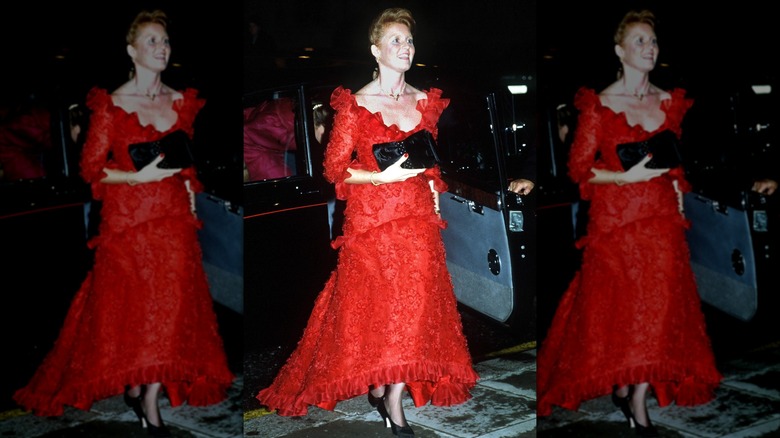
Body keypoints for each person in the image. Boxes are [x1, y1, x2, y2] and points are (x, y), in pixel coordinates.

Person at [255, 7, 479, 437]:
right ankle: (383, 391)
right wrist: (381, 176)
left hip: (417, 223)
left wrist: (435, 206)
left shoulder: (425, 102)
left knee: (412, 314)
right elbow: (335, 169)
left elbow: (431, 167)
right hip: (372, 223)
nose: (405, 47)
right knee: (379, 312)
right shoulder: (355, 105)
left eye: (410, 41)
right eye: (395, 41)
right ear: (376, 51)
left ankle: (392, 398)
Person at [12, 9, 234, 437]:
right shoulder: (111, 105)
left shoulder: (180, 102)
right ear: (132, 51)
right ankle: (138, 389)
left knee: (166, 315)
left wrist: (190, 210)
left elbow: (186, 168)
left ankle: (148, 398)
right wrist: (138, 176)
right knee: (133, 314)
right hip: (128, 225)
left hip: (173, 225)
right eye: (152, 41)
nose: (161, 48)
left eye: (165, 42)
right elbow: (91, 169)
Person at [536, 9, 722, 437]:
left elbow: (675, 168)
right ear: (620, 51)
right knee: (622, 313)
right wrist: (626, 176)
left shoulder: (669, 102)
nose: (650, 48)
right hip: (616, 225)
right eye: (640, 41)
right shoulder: (599, 105)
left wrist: (678, 206)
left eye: (653, 42)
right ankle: (627, 388)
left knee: (654, 315)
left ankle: (636, 397)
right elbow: (579, 170)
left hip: (661, 225)